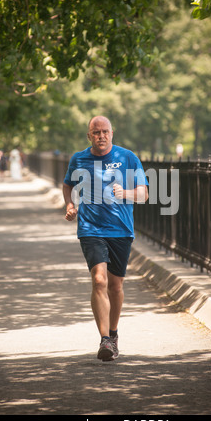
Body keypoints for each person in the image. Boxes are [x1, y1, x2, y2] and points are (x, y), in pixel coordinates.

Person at [63, 115, 148, 361]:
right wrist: (69, 204)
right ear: (89, 135)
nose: (101, 136)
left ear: (112, 133)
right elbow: (67, 184)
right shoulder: (78, 159)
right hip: (90, 229)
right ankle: (105, 341)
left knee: (115, 286)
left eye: (105, 131)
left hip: (121, 230)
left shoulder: (127, 157)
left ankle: (114, 333)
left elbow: (143, 195)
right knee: (99, 281)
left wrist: (126, 192)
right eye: (96, 132)